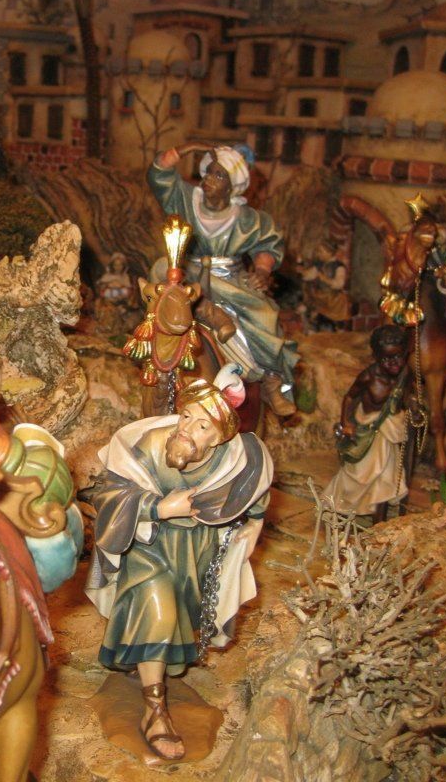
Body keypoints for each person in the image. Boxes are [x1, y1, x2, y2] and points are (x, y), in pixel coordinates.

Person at [85, 366, 273, 760]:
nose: (185, 429)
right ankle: (155, 711)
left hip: (196, 555)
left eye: (202, 426)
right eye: (186, 416)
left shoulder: (235, 458)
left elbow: (253, 488)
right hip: (148, 547)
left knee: (178, 618)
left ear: (219, 438)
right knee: (158, 610)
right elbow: (108, 492)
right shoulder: (148, 445)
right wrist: (158, 508)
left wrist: (255, 525)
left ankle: (147, 665)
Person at [147, 142, 299, 417]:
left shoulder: (248, 219)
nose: (209, 179)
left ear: (233, 186)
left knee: (265, 315)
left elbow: (267, 245)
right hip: (190, 273)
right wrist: (185, 149)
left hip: (230, 278)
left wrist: (262, 270)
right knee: (161, 275)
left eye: (219, 175)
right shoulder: (185, 199)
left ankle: (272, 380)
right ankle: (197, 325)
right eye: (208, 172)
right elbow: (159, 174)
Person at [324, 325, 414, 522]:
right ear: (376, 357)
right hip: (367, 431)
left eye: (399, 356)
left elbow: (405, 398)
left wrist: (412, 407)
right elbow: (349, 397)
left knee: (385, 477)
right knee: (358, 477)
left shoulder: (405, 374)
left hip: (389, 431)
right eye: (387, 359)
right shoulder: (368, 377)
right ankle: (338, 511)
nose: (394, 363)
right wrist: (345, 422)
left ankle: (379, 521)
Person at [300, 242, 350, 331]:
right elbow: (307, 276)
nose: (318, 254)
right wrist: (302, 269)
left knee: (335, 325)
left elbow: (339, 284)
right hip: (321, 298)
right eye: (318, 251)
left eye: (321, 251)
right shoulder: (319, 264)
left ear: (329, 252)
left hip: (334, 300)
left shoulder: (339, 267)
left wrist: (324, 279)